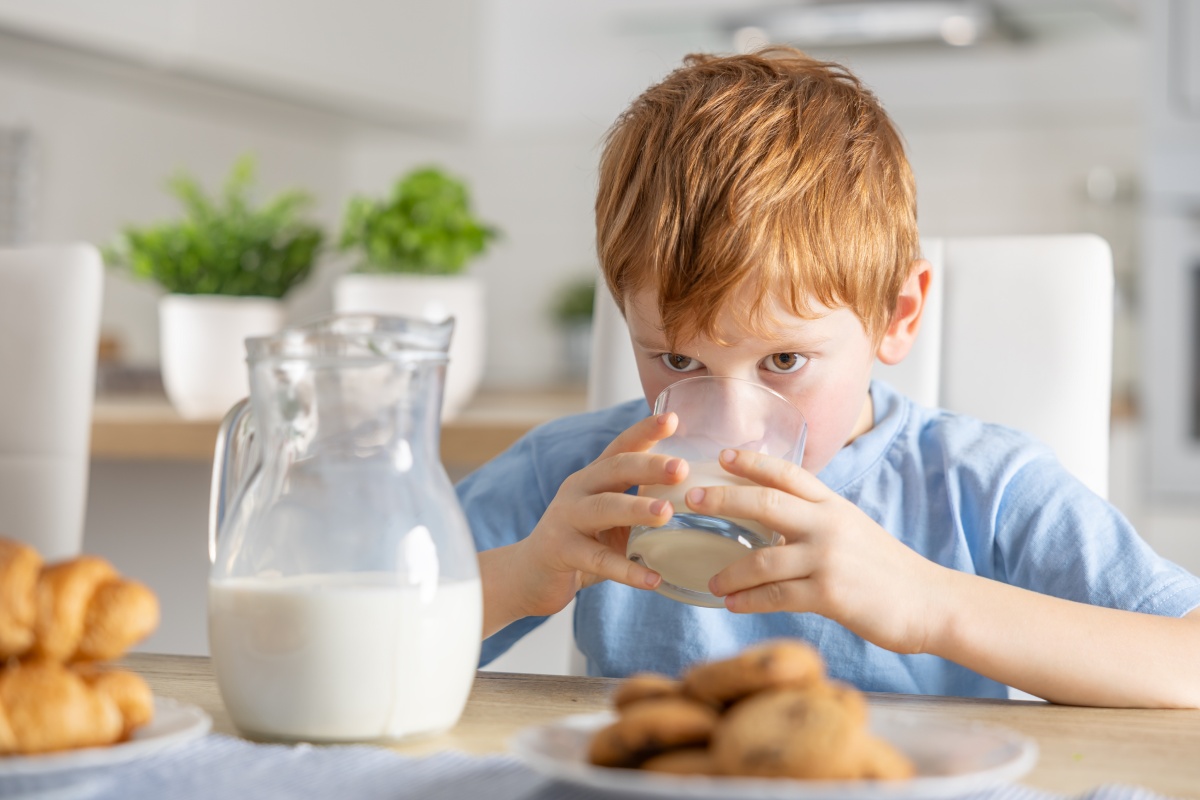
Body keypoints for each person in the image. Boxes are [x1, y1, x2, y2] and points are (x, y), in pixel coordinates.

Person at [458, 46, 1200, 706]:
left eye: (782, 361)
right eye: (678, 360)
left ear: (898, 315)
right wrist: (524, 573)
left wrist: (931, 603)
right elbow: (357, 629)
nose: (734, 423)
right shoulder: (581, 474)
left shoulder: (980, 487)